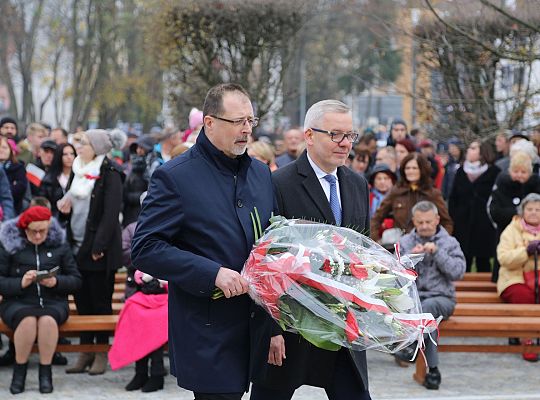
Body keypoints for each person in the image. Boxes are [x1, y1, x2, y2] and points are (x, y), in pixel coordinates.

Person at [131, 83, 274, 399]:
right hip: (210, 331)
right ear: (209, 122)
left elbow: (272, 243)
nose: (246, 129)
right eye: (237, 121)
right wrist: (213, 273)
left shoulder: (262, 175)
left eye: (251, 121)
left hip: (260, 328)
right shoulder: (175, 176)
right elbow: (145, 247)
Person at [250, 99, 371, 400]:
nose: (345, 143)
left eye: (350, 135)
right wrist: (270, 330)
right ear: (309, 135)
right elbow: (261, 263)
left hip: (342, 327)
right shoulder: (278, 183)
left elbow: (362, 250)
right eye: (335, 135)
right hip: (291, 327)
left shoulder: (357, 184)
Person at [59, 129, 125, 375]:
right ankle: (85, 352)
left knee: (100, 302)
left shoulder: (110, 172)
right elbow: (69, 203)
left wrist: (99, 246)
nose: (79, 147)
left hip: (99, 251)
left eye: (84, 143)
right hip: (75, 245)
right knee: (81, 301)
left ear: (96, 147)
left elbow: (110, 214)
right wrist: (62, 210)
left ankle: (100, 353)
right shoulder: (78, 168)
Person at [0, 206, 82, 394]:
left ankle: (46, 372)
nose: (38, 236)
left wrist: (55, 282)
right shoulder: (10, 246)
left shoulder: (60, 245)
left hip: (53, 301)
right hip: (18, 301)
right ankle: (19, 371)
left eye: (42, 231)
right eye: (33, 232)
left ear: (48, 228)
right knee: (28, 321)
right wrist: (21, 282)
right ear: (24, 228)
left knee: (47, 321)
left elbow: (76, 280)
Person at [394, 201, 465, 389]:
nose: (424, 226)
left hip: (443, 298)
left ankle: (411, 346)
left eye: (428, 222)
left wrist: (438, 253)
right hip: (413, 300)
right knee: (427, 320)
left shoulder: (450, 242)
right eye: (420, 223)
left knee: (428, 310)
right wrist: (411, 257)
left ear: (437, 220)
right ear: (414, 222)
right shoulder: (406, 242)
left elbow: (458, 272)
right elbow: (395, 276)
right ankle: (433, 370)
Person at [370, 152, 453, 242]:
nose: (410, 171)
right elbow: (376, 219)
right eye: (407, 168)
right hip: (401, 246)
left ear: (422, 170)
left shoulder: (433, 193)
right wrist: (376, 242)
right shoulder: (396, 191)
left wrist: (439, 243)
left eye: (414, 168)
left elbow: (447, 223)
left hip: (426, 246)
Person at [497, 193, 540, 362]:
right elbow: (503, 258)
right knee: (523, 296)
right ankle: (527, 338)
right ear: (522, 211)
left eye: (538, 209)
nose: (534, 213)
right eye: (529, 209)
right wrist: (526, 251)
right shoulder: (511, 229)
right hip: (514, 277)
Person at [489, 152, 540, 282]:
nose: (519, 175)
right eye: (516, 171)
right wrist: (519, 214)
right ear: (510, 171)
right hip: (506, 235)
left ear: (529, 173)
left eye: (523, 172)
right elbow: (495, 211)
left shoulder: (536, 188)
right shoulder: (501, 188)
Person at [449, 141, 499, 272]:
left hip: (484, 223)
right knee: (463, 260)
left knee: (484, 262)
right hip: (462, 224)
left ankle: (486, 292)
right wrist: (455, 217)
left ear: (482, 152)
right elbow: (453, 197)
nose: (468, 151)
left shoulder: (494, 172)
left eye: (473, 148)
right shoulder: (460, 171)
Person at [39, 143, 76, 218]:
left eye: (72, 154)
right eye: (65, 154)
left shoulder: (79, 177)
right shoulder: (49, 179)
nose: (69, 157)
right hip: (55, 218)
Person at [0, 135, 27, 214]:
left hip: (12, 210)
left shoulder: (18, 167)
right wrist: (11, 185)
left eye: (4, 148)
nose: (1, 150)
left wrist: (4, 190)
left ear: (11, 150)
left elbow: (20, 188)